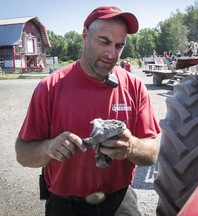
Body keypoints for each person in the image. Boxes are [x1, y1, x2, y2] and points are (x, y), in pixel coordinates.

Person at [15, 6, 160, 216]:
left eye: (119, 45)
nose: (112, 53)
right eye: (104, 41)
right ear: (85, 35)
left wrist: (131, 146)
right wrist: (48, 148)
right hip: (66, 206)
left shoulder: (134, 86)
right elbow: (22, 154)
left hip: (120, 202)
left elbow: (152, 152)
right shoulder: (50, 88)